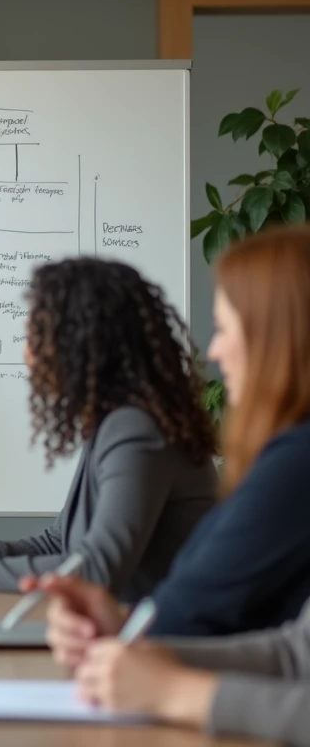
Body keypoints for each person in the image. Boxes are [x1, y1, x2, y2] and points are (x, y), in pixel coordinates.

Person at [22, 227, 310, 746]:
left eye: (224, 328)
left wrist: (175, 690)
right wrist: (125, 628)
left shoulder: (296, 462)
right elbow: (297, 654)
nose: (215, 352)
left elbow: (183, 611)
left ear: (277, 340)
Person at [0, 258, 218, 600]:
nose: (27, 353)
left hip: (152, 644)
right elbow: (58, 542)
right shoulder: (117, 421)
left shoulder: (137, 429)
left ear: (82, 343)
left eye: (37, 334)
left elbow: (95, 572)